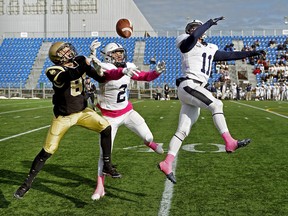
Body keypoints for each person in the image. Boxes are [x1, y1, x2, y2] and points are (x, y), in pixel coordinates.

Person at [14, 41, 139, 199]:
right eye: (63, 51)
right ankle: (27, 183)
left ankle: (107, 165)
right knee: (48, 150)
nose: (68, 51)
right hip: (64, 116)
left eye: (67, 48)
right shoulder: (53, 70)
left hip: (82, 111)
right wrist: (85, 63)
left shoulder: (79, 61)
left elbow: (99, 78)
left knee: (105, 127)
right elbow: (70, 75)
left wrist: (104, 66)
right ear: (56, 57)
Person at [158, 17, 266, 184]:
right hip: (189, 84)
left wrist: (251, 53)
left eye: (197, 28)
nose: (194, 30)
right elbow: (192, 40)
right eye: (192, 28)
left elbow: (230, 55)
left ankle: (167, 162)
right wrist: (207, 24)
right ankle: (229, 142)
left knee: (183, 131)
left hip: (195, 89)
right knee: (217, 104)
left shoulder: (209, 47)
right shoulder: (185, 40)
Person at [88, 41, 166, 200]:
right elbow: (109, 75)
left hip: (127, 112)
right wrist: (123, 70)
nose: (120, 55)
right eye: (116, 52)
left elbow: (144, 77)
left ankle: (149, 143)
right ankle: (100, 186)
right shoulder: (106, 67)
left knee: (149, 136)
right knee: (104, 154)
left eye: (121, 52)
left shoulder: (128, 66)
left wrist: (155, 72)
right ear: (109, 55)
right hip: (109, 117)